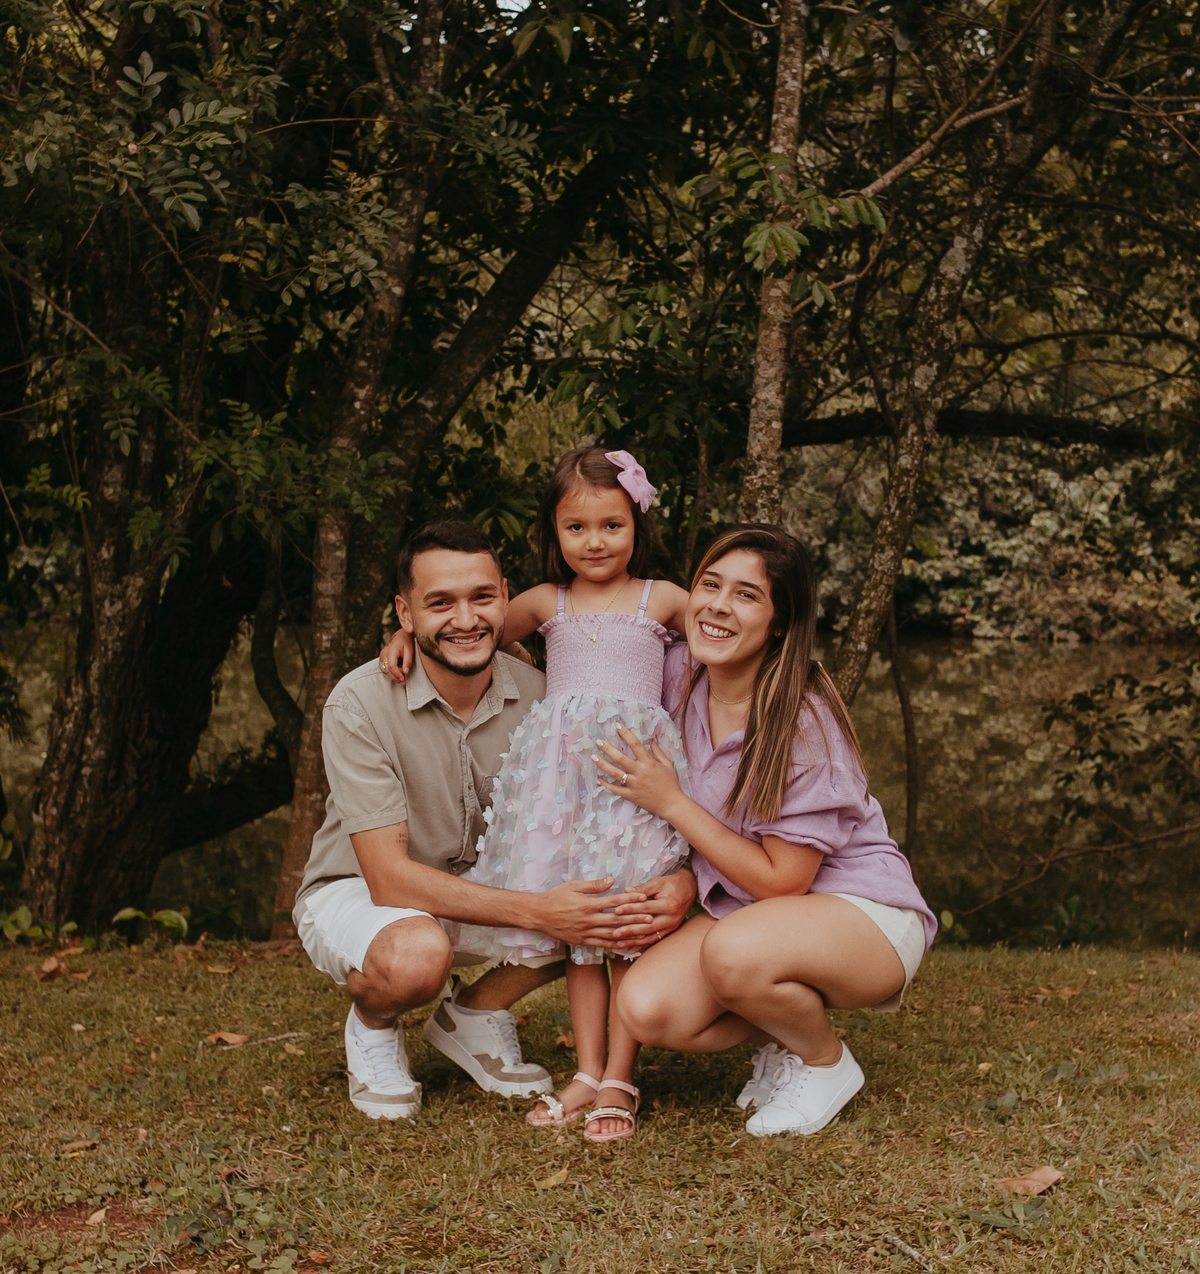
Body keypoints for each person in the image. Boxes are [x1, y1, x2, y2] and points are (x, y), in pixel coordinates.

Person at [293, 516, 696, 1121]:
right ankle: (374, 1024)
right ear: (405, 613)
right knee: (417, 953)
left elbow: (603, 827)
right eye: (439, 603)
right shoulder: (360, 702)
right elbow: (389, 879)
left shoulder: (549, 697)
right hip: (366, 892)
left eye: (481, 597)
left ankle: (473, 1014)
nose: (465, 618)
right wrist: (539, 911)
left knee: (601, 904)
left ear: (506, 598)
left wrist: (678, 880)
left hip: (484, 885)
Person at [381, 447, 692, 1144]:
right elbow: (473, 627)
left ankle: (620, 1074)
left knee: (623, 926)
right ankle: (586, 1070)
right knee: (579, 934)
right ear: (554, 531)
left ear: (637, 524)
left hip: (633, 783)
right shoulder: (548, 602)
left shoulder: (665, 599)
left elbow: (730, 636)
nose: (594, 542)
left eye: (611, 525)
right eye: (576, 527)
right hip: (565, 790)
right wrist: (401, 633)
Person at [605, 525, 937, 1138]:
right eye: (710, 585)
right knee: (648, 1009)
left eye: (747, 595)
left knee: (732, 954)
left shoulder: (801, 720)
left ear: (780, 622)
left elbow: (785, 881)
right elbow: (583, 654)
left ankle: (825, 1062)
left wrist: (673, 803)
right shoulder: (678, 675)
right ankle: (784, 1038)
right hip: (753, 913)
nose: (718, 606)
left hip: (863, 913)